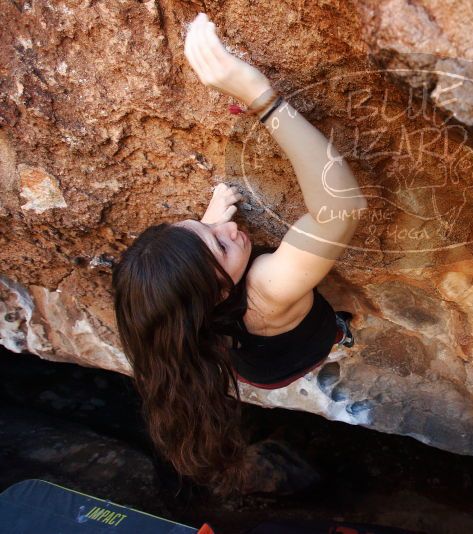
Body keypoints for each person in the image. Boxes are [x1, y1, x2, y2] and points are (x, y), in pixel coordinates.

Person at [111, 12, 368, 496]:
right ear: (219, 292)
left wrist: (207, 234)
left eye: (199, 228)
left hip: (251, 364)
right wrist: (257, 94)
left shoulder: (179, 314)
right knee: (323, 326)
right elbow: (341, 208)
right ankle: (339, 334)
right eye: (220, 243)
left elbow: (195, 264)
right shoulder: (267, 290)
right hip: (294, 352)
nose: (228, 227)